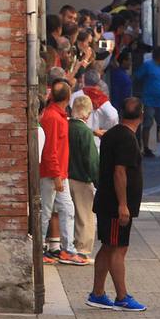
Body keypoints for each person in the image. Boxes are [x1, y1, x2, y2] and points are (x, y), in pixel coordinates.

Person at [87, 98, 147, 312]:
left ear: (122, 114)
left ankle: (98, 293)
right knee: (118, 250)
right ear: (142, 115)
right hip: (115, 206)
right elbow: (119, 171)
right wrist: (123, 205)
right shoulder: (127, 139)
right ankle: (122, 296)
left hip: (107, 202)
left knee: (108, 246)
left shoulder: (112, 133)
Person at [39, 81, 86, 265]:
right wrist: (57, 175)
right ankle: (42, 248)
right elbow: (50, 150)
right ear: (68, 97)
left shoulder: (56, 116)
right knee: (47, 211)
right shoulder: (54, 118)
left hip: (58, 172)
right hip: (54, 173)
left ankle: (67, 249)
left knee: (66, 209)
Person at [66, 95, 99, 260]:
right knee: (85, 217)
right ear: (87, 113)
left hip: (65, 177)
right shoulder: (84, 132)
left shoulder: (66, 126)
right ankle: (83, 251)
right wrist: (98, 181)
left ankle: (67, 247)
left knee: (67, 214)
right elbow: (91, 160)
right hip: (81, 178)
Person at [134, 45, 160, 156]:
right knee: (147, 124)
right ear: (159, 56)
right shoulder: (148, 65)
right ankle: (146, 148)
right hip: (148, 100)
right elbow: (137, 77)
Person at [70, 69, 119, 139]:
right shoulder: (102, 99)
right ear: (98, 82)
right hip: (95, 140)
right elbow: (113, 116)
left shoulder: (74, 96)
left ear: (84, 81)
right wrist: (106, 130)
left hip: (76, 138)